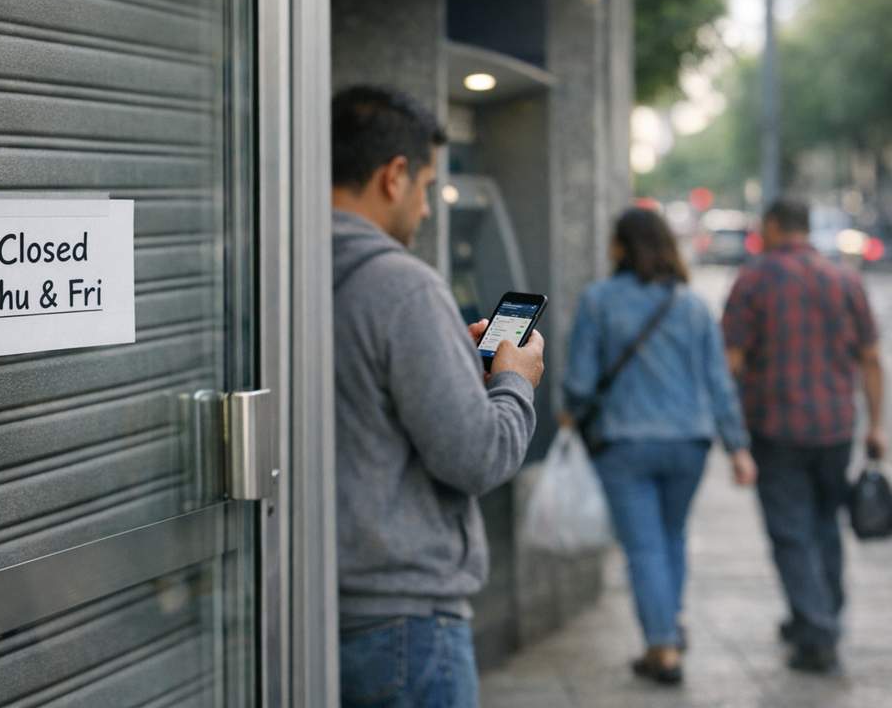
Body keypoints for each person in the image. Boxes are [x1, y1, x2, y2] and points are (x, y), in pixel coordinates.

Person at [331, 85, 544, 707]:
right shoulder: (404, 286)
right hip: (405, 624)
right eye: (426, 187)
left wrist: (451, 361)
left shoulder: (284, 268)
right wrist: (514, 379)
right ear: (393, 175)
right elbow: (477, 456)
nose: (427, 210)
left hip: (318, 604)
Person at [563, 207, 757, 686]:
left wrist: (570, 411)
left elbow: (580, 382)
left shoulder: (599, 301)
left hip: (624, 442)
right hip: (689, 443)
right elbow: (719, 382)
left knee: (644, 546)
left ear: (621, 247)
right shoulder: (692, 306)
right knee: (670, 537)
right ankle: (666, 625)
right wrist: (737, 447)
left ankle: (663, 646)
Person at [722, 198, 886, 674]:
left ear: (773, 226)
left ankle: (816, 631)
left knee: (791, 531)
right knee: (825, 525)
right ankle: (820, 616)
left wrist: (731, 432)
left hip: (776, 427)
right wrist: (877, 425)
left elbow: (730, 362)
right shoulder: (845, 278)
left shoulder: (753, 279)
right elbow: (871, 359)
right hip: (836, 427)